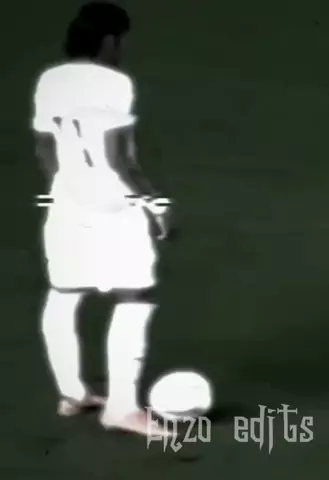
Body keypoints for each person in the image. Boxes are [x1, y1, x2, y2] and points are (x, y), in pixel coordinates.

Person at [32, 1, 172, 437]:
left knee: (65, 292)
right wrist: (157, 204)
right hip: (114, 205)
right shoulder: (114, 83)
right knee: (136, 296)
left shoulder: (50, 80)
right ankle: (123, 409)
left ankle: (72, 393)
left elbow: (45, 147)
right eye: (122, 40)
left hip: (65, 201)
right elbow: (119, 159)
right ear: (110, 40)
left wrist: (66, 190)